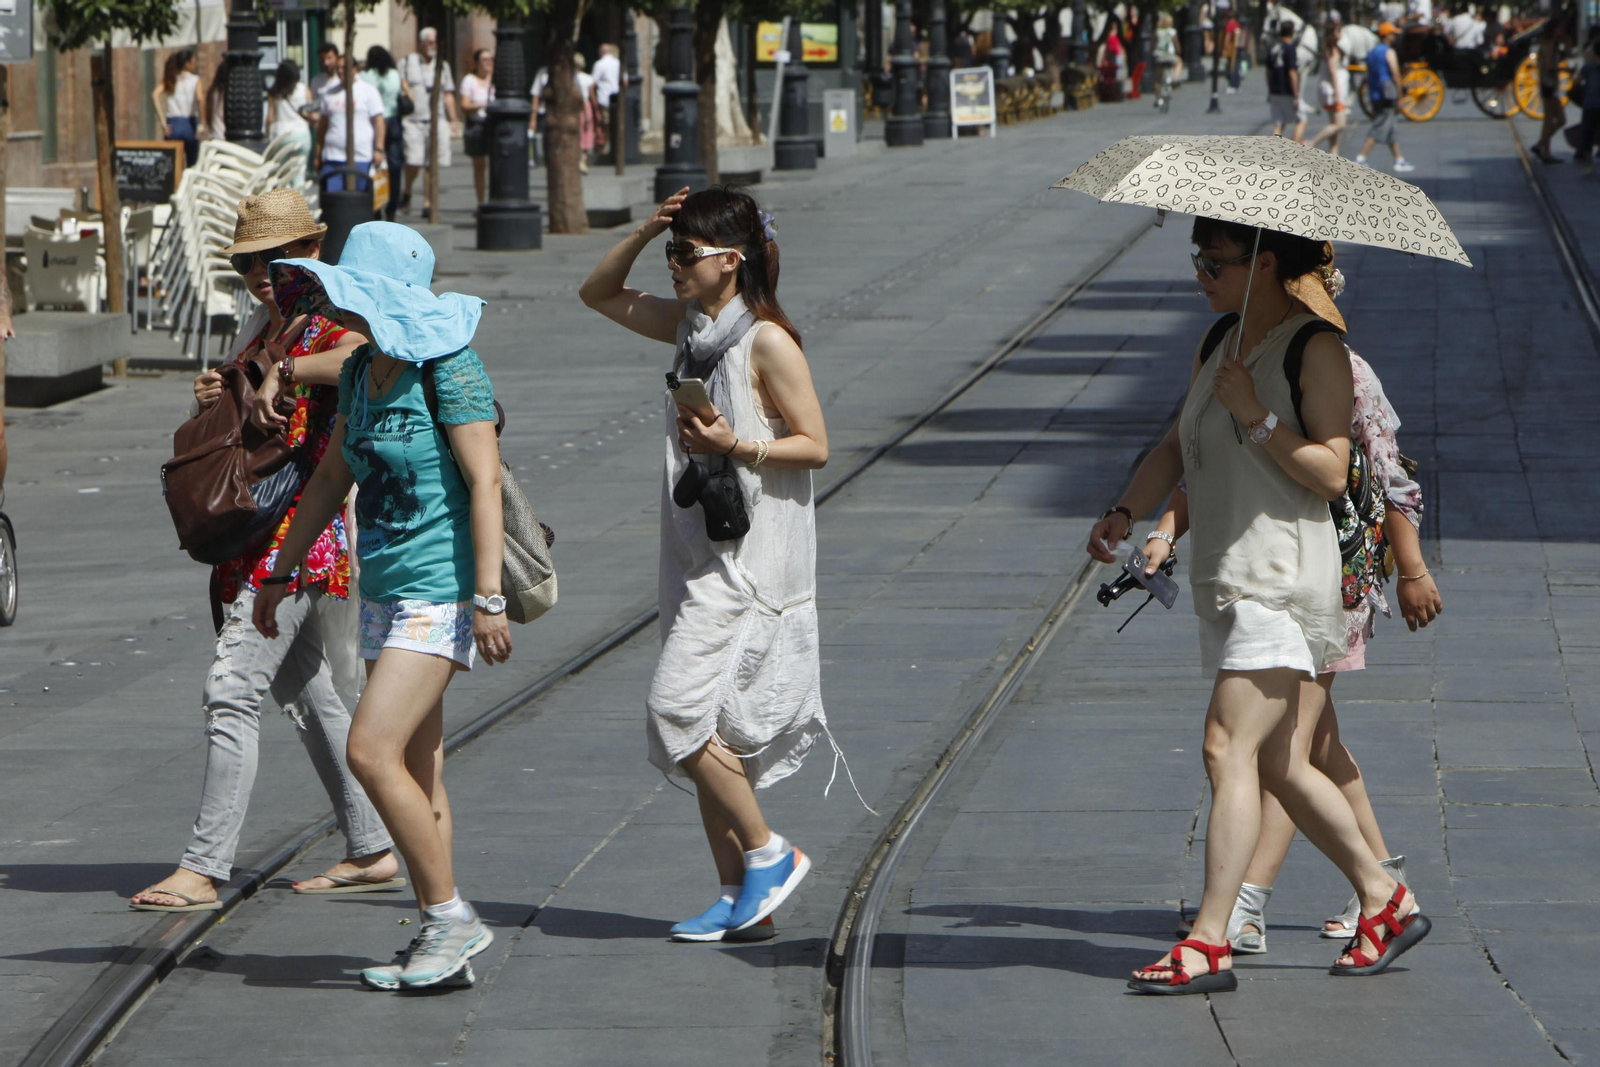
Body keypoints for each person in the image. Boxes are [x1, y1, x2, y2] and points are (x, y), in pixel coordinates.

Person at [1090, 218, 1431, 995]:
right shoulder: (1218, 343)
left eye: (1215, 260)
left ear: (1267, 263)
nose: (1200, 272)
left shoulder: (1318, 351)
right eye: (1197, 258)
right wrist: (1128, 511)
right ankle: (1386, 896)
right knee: (1280, 759)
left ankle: (1213, 936)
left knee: (1224, 744)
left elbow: (1335, 473)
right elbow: (1177, 446)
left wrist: (1257, 414)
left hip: (1283, 576)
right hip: (1231, 575)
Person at [129, 190, 399, 914]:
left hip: (299, 538)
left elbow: (368, 356)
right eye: (250, 260)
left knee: (232, 689)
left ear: (312, 251)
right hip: (262, 530)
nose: (260, 270)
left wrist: (286, 370)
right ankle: (372, 844)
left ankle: (203, 865)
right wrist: (217, 391)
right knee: (309, 694)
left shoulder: (326, 317)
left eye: (275, 257)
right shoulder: (264, 325)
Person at [579, 187, 836, 945]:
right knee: (716, 728)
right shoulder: (692, 327)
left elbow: (817, 443)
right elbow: (598, 293)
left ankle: (769, 851)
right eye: (672, 251)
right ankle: (739, 896)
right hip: (699, 546)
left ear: (733, 260)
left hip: (750, 562)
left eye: (686, 253)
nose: (673, 263)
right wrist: (647, 227)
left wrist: (736, 445)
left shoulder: (766, 342)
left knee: (677, 712)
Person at [1164, 259, 1445, 952]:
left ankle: (1246, 907)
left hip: (1331, 578)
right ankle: (1382, 884)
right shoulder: (1227, 351)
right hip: (1260, 566)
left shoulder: (1337, 365)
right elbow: (1193, 456)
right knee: (1309, 746)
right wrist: (1162, 524)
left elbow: (1388, 476)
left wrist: (1411, 568)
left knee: (1277, 748)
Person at [256, 222, 507, 990]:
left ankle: (449, 916)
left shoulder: (451, 368)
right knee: (421, 771)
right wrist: (278, 570)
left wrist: (490, 597)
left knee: (371, 751)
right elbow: (332, 478)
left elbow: (486, 482)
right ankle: (443, 943)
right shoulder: (363, 370)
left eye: (355, 294)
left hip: (442, 587)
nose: (344, 308)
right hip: (386, 590)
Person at [401, 28, 457, 214]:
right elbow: (400, 83)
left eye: (435, 42)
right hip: (413, 120)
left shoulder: (443, 65)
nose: (433, 45)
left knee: (431, 163)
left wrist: (453, 120)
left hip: (436, 119)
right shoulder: (407, 62)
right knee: (413, 161)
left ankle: (428, 201)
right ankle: (407, 190)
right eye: (430, 42)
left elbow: (448, 94)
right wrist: (406, 89)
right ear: (421, 43)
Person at [315, 56, 387, 195]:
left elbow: (379, 121)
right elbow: (323, 125)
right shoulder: (329, 93)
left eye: (344, 67)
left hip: (361, 157)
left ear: (355, 69)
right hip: (333, 157)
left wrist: (379, 148)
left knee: (360, 199)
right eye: (338, 68)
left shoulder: (368, 91)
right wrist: (318, 153)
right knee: (333, 199)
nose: (340, 71)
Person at [1355, 23, 1415, 172]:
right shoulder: (1389, 52)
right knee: (1381, 126)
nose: (1395, 37)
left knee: (1390, 128)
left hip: (1375, 93)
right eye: (1393, 34)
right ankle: (1361, 157)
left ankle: (1398, 159)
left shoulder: (1373, 52)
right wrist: (1400, 96)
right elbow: (1395, 74)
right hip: (1387, 93)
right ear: (1387, 35)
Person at [361, 46, 406, 220]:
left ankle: (376, 207)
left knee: (375, 167)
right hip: (393, 120)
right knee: (395, 167)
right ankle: (392, 206)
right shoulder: (394, 74)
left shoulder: (366, 76)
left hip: (374, 122)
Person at [1532, 17, 1572, 164]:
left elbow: (1564, 55)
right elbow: (1549, 65)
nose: (1561, 31)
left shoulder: (1550, 43)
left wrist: (1567, 44)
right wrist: (1563, 69)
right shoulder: (1550, 44)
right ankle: (1541, 145)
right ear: (1553, 30)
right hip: (1549, 84)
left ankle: (1545, 151)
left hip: (1548, 84)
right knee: (1560, 119)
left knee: (1549, 120)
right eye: (1559, 28)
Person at [266, 60, 313, 184]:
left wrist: (266, 136)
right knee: (299, 174)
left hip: (282, 135)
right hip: (302, 134)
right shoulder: (304, 89)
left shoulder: (274, 92)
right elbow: (310, 112)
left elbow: (270, 118)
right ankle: (299, 200)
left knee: (282, 175)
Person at [459, 49, 495, 205]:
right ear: (477, 63)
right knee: (479, 166)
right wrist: (482, 105)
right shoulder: (469, 80)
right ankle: (481, 202)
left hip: (493, 124)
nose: (488, 62)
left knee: (496, 166)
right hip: (477, 125)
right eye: (484, 59)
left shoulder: (495, 80)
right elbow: (464, 104)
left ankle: (494, 200)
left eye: (490, 59)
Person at [153, 50, 201, 166]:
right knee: (192, 162)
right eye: (193, 61)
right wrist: (202, 123)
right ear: (187, 64)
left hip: (173, 123)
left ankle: (175, 184)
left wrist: (162, 122)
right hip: (190, 122)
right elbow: (200, 98)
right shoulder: (195, 80)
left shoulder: (171, 80)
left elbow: (154, 95)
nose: (196, 64)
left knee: (172, 163)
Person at [1308, 23, 1350, 154]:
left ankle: (1333, 155)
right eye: (1338, 30)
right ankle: (1312, 142)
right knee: (1340, 124)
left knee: (1334, 128)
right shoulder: (1332, 50)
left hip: (1332, 89)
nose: (1341, 33)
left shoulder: (1330, 48)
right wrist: (1337, 93)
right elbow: (1333, 72)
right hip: (1334, 90)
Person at [1268, 21, 1308, 141]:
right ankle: (1293, 151)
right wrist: (1296, 94)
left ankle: (1272, 151)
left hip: (1274, 90)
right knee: (1302, 120)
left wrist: (1269, 88)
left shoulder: (1273, 47)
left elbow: (1268, 71)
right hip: (1287, 90)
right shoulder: (1290, 49)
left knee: (1279, 124)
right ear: (1292, 32)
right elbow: (1292, 72)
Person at [1573, 39, 1600, 172]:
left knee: (1588, 133)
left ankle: (1589, 162)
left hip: (1589, 105)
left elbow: (1576, 81)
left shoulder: (1588, 68)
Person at [593, 42, 621, 148]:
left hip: (604, 97)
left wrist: (594, 101)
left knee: (605, 123)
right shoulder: (618, 63)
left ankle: (606, 144)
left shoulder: (599, 64)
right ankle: (614, 144)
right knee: (615, 122)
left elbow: (593, 83)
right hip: (617, 97)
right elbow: (625, 82)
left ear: (601, 52)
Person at [1154, 13, 1183, 107]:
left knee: (1158, 80)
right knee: (1179, 62)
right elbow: (1177, 45)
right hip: (1170, 56)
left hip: (1159, 56)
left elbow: (1152, 44)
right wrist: (1179, 51)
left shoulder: (1157, 32)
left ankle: (1157, 99)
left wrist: (1152, 52)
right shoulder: (1172, 31)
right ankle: (1174, 78)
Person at [309, 42, 341, 107]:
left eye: (329, 58)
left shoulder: (342, 79)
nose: (326, 63)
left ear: (337, 57)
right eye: (322, 59)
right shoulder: (316, 81)